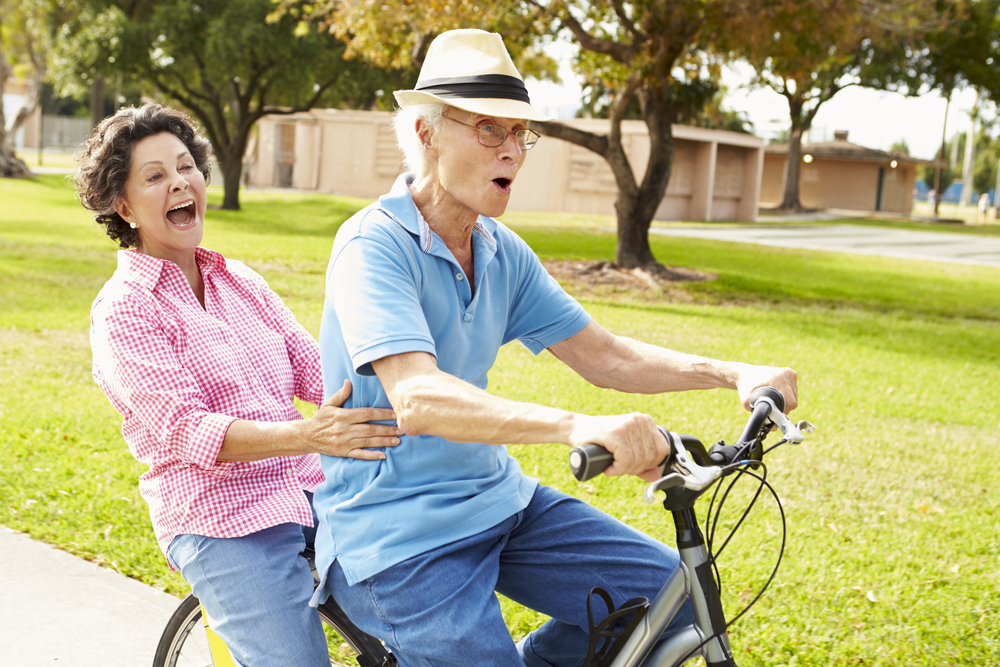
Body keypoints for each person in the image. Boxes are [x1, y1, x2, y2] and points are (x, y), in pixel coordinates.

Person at [312, 29, 799, 667]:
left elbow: (605, 355)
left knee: (673, 598)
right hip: (397, 534)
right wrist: (577, 426)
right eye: (489, 128)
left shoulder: (498, 249)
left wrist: (733, 372)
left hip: (496, 500)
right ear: (427, 133)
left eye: (520, 133)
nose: (512, 149)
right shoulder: (372, 246)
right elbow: (418, 398)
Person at [78, 103, 402, 667]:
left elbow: (318, 369)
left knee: (428, 604)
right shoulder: (124, 309)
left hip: (310, 491)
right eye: (155, 176)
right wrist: (309, 435)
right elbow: (187, 430)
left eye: (186, 167)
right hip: (220, 519)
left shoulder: (239, 280)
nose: (180, 182)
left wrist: (406, 390)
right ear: (123, 206)